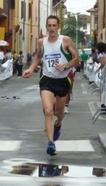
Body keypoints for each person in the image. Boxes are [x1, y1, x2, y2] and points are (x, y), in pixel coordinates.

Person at [22, 15, 79, 156]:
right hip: (47, 80)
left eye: (54, 25)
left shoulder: (65, 40)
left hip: (62, 80)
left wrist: (65, 66)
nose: (52, 28)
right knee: (48, 111)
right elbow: (38, 56)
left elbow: (76, 59)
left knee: (59, 113)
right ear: (46, 27)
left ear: (59, 26)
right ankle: (51, 143)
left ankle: (58, 123)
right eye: (49, 25)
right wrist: (30, 68)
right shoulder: (42, 42)